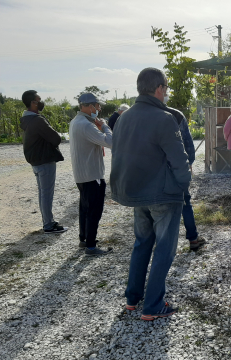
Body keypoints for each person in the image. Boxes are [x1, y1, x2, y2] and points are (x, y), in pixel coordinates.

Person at [110, 67, 191, 320]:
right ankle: (154, 305)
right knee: (164, 250)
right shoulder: (164, 118)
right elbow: (179, 160)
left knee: (141, 244)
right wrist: (184, 183)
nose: (166, 93)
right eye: (165, 88)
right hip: (163, 195)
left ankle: (133, 298)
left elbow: (118, 155)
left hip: (136, 193)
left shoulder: (124, 117)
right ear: (159, 88)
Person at [69, 93, 113, 255]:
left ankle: (84, 239)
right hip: (92, 174)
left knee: (85, 209)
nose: (99, 109)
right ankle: (91, 246)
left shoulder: (75, 121)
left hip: (82, 174)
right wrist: (105, 127)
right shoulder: (87, 125)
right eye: (97, 105)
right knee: (94, 210)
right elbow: (110, 142)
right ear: (89, 106)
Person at [19, 90, 68, 234]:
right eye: (38, 100)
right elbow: (55, 138)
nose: (41, 102)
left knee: (42, 193)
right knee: (47, 194)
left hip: (35, 161)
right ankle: (48, 225)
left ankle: (47, 221)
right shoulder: (38, 120)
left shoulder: (26, 119)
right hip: (45, 160)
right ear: (33, 103)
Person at [163, 105, 207, 251]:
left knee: (158, 207)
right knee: (184, 203)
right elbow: (188, 145)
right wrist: (188, 164)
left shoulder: (138, 114)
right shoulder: (176, 114)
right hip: (176, 169)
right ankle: (193, 239)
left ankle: (162, 245)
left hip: (152, 171)